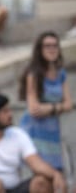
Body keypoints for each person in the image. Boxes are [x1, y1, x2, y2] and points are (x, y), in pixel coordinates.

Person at [19, 31, 73, 171]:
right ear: (40, 49)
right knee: (41, 174)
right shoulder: (34, 73)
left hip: (54, 129)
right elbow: (34, 109)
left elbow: (69, 104)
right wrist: (58, 107)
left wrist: (49, 108)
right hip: (35, 130)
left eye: (55, 45)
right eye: (47, 46)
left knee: (58, 172)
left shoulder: (61, 73)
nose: (52, 49)